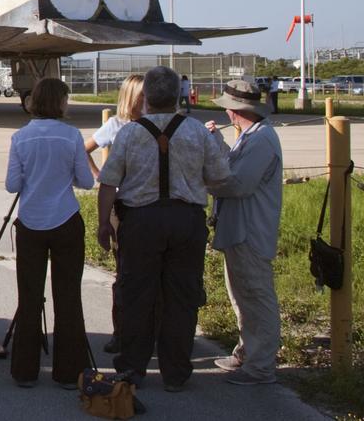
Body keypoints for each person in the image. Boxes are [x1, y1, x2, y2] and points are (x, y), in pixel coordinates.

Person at [97, 66, 230, 392]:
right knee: (181, 297)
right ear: (178, 95)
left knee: (136, 295)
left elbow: (108, 182)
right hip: (186, 221)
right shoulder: (197, 131)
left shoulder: (128, 133)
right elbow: (219, 176)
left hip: (141, 222)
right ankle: (176, 372)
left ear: (147, 98)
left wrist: (103, 223)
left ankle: (132, 369)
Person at [6, 77, 95, 388]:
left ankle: (25, 371)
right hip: (65, 220)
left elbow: (12, 185)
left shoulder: (20, 137)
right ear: (59, 102)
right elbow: (86, 181)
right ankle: (69, 372)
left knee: (29, 297)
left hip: (30, 222)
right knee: (68, 297)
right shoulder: (71, 135)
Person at [206, 80, 283, 386]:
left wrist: (203, 179)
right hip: (239, 230)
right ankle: (247, 353)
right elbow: (234, 166)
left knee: (255, 295)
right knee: (242, 295)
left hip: (250, 231)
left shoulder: (261, 140)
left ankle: (261, 365)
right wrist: (217, 145)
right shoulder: (252, 136)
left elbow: (237, 183)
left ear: (236, 110)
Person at [83, 73, 144, 354]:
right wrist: (99, 175)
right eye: (141, 96)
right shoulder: (115, 125)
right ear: (130, 98)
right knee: (125, 273)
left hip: (150, 207)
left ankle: (149, 332)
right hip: (123, 206)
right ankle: (120, 333)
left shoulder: (156, 124)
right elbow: (85, 149)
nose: (145, 102)